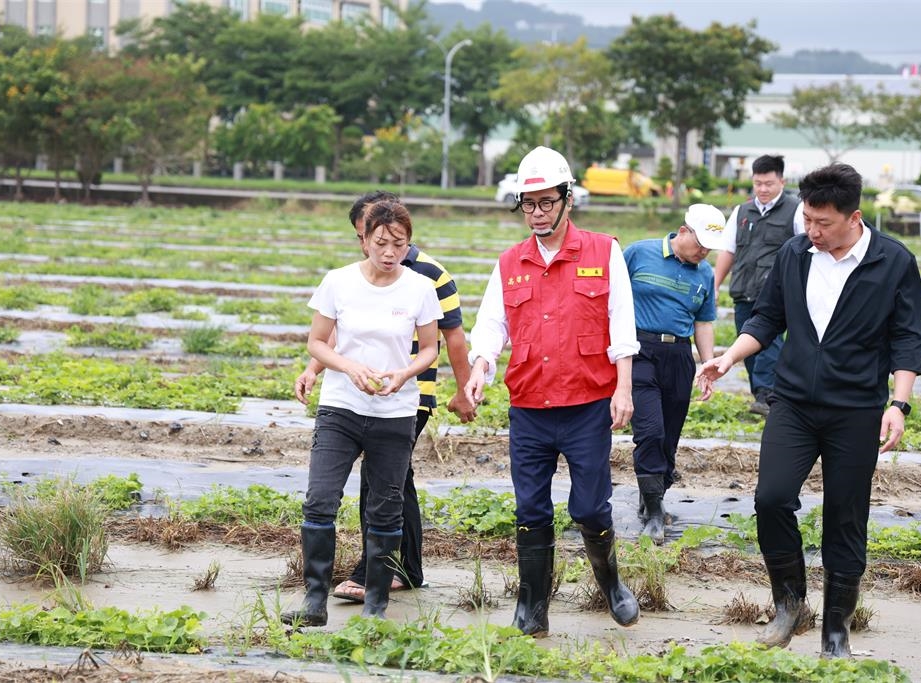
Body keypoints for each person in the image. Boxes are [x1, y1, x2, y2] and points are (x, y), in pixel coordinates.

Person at [695, 163, 921, 658]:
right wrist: (729, 358)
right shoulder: (795, 254)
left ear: (853, 217)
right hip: (795, 402)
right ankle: (790, 603)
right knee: (771, 499)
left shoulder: (892, 262)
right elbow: (768, 316)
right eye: (807, 219)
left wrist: (899, 403)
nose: (812, 231)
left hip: (856, 409)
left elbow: (909, 337)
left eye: (823, 223)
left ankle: (836, 629)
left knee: (846, 516)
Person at [464, 146, 640, 637]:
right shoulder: (510, 262)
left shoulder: (604, 251)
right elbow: (491, 325)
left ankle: (611, 584)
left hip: (587, 404)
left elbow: (621, 323)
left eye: (545, 203)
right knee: (530, 508)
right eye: (528, 204)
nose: (536, 214)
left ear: (568, 200)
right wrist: (480, 367)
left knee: (588, 507)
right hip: (530, 406)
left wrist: (623, 388)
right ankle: (532, 604)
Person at [292, 191, 476, 606]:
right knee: (362, 490)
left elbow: (451, 340)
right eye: (374, 239)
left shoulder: (429, 278)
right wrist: (317, 369)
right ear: (364, 237)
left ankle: (384, 576)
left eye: (398, 242)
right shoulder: (343, 280)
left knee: (387, 489)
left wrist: (462, 390)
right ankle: (383, 574)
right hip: (346, 401)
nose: (388, 251)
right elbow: (333, 336)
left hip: (409, 398)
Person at [623, 204, 726, 544]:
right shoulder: (639, 253)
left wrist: (708, 364)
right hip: (640, 350)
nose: (704, 251)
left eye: (710, 246)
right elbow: (611, 301)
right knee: (650, 430)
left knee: (668, 435)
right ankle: (654, 510)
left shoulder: (705, 273)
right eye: (700, 243)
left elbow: (704, 321)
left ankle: (652, 490)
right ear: (683, 231)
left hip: (679, 354)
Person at [712, 155, 805, 416]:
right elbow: (728, 251)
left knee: (769, 341)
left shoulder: (796, 211)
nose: (763, 189)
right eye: (758, 184)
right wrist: (716, 285)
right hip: (744, 290)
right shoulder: (742, 212)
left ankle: (768, 393)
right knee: (747, 343)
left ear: (782, 182)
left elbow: (806, 250)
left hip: (777, 294)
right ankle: (761, 393)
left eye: (769, 183)